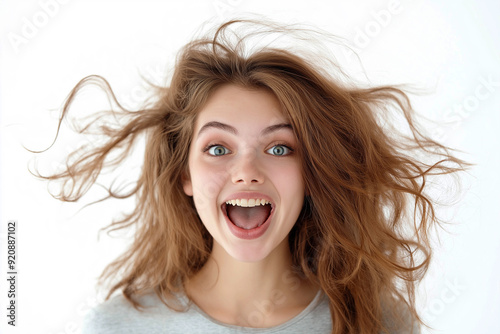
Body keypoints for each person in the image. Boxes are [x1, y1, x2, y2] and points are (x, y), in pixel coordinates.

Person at [37, 20, 468, 333]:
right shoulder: (117, 327)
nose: (246, 173)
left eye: (279, 148)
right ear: (184, 174)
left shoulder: (382, 322)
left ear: (310, 173)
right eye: (218, 148)